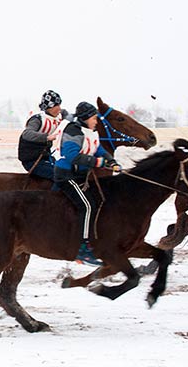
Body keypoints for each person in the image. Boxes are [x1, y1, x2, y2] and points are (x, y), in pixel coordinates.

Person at [53, 101, 121, 265]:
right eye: (94, 117)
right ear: (85, 118)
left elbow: (99, 150)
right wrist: (98, 163)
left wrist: (111, 161)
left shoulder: (90, 132)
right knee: (88, 206)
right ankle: (82, 250)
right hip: (66, 175)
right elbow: (72, 156)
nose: (96, 120)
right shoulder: (74, 131)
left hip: (80, 176)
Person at [18, 90, 72, 180]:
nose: (59, 108)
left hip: (46, 156)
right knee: (60, 176)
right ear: (48, 107)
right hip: (32, 159)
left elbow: (71, 117)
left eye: (59, 105)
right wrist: (46, 137)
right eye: (56, 105)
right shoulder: (37, 119)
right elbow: (26, 134)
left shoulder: (60, 114)